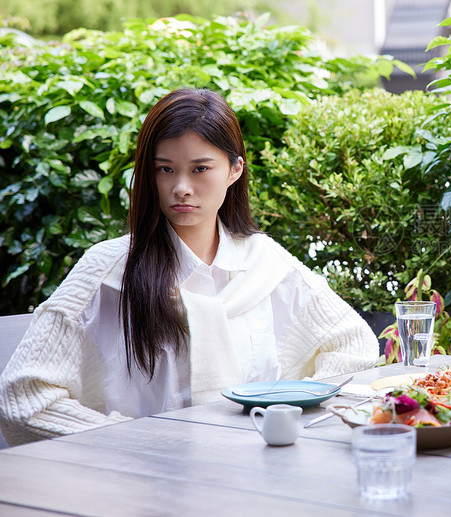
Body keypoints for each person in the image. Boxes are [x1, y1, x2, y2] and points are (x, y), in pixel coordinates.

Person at [0, 88, 379, 446]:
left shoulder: (264, 263)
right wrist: (129, 444)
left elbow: (352, 345)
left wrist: (289, 417)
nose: (181, 187)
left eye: (200, 169)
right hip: (138, 489)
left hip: (255, 480)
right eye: (165, 169)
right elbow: (22, 398)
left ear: (234, 170)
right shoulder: (109, 271)